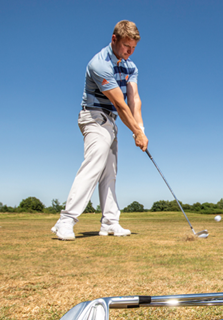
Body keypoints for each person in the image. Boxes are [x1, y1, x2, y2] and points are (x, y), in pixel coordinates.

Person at [52, 20, 149, 241]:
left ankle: (110, 223)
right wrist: (136, 132)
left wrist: (141, 129)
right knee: (94, 164)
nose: (130, 52)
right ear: (114, 39)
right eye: (126, 46)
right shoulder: (99, 64)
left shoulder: (130, 66)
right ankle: (65, 221)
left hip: (110, 122)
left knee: (110, 173)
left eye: (133, 48)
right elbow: (119, 104)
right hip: (93, 118)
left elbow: (134, 100)